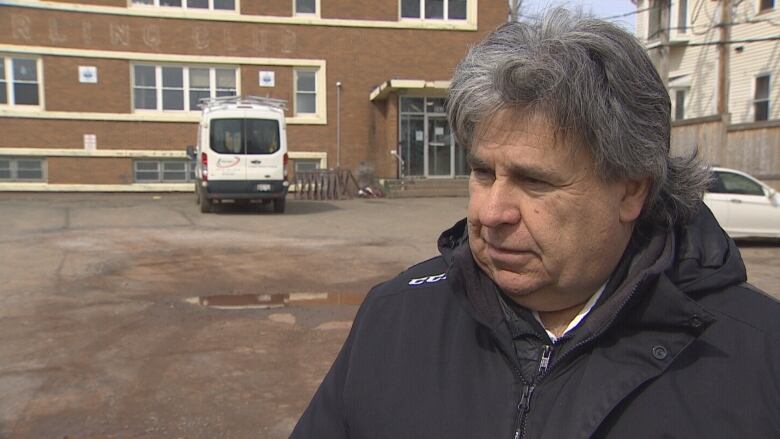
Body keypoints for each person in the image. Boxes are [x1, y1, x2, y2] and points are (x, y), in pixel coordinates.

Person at [291, 9, 780, 438]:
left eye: (534, 181)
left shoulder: (756, 354)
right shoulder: (394, 317)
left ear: (632, 189)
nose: (490, 213)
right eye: (483, 172)